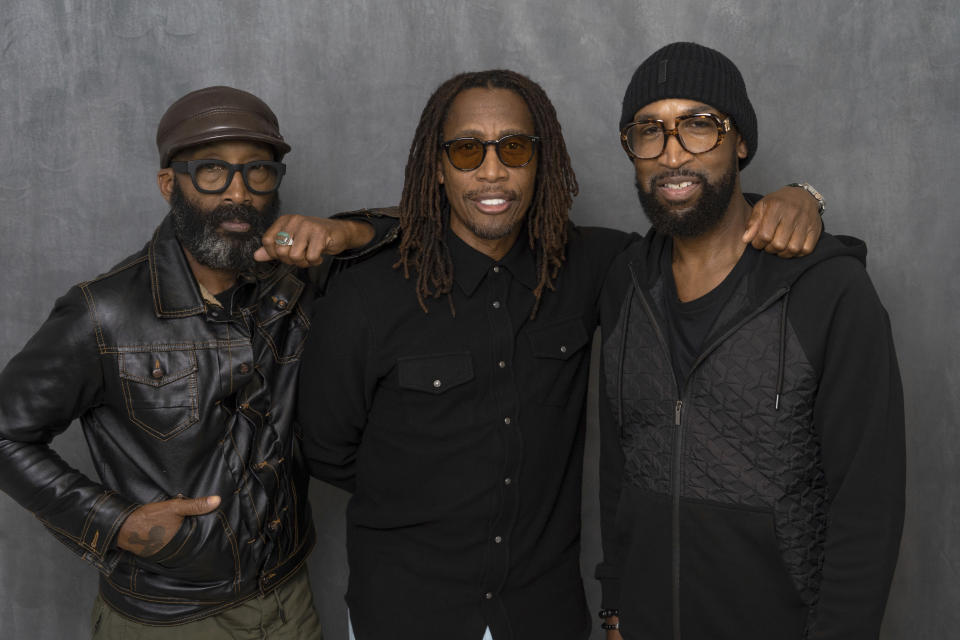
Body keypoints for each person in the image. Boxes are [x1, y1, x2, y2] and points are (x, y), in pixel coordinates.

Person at [297, 68, 825, 640]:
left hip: (541, 613)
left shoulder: (598, 265)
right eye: (468, 150)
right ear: (438, 166)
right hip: (404, 613)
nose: (493, 171)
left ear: (539, 161)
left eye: (516, 148)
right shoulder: (365, 294)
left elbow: (702, 235)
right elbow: (327, 449)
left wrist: (801, 198)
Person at [0, 85, 394, 638]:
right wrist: (116, 525)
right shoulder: (102, 312)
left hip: (289, 602)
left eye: (258, 172)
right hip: (168, 618)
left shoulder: (298, 282)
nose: (239, 194)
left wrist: (343, 231)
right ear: (170, 185)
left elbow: (421, 232)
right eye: (212, 171)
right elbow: (6, 432)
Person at [596, 42, 905, 640]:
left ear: (741, 142)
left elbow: (868, 505)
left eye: (699, 125)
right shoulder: (622, 283)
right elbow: (619, 467)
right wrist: (615, 605)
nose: (673, 153)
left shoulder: (829, 292)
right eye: (648, 131)